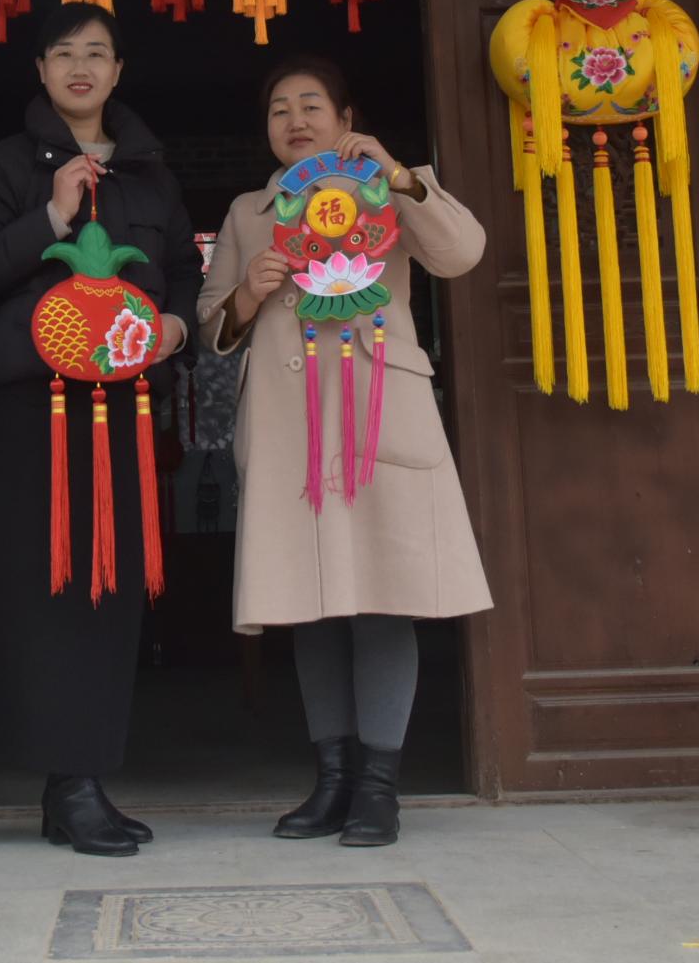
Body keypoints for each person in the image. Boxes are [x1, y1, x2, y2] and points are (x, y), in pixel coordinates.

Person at [198, 57, 492, 847]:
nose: (295, 121)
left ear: (345, 118)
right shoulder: (249, 210)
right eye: (279, 110)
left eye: (311, 106)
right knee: (312, 607)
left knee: (384, 599)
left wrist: (398, 174)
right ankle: (331, 781)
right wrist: (249, 291)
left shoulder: (386, 186)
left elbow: (461, 252)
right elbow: (211, 322)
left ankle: (379, 788)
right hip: (291, 423)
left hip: (376, 412)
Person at [0, 2, 201, 857]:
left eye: (97, 53)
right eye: (63, 53)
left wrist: (176, 325)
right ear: (41, 70)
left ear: (118, 70)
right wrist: (50, 216)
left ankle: (85, 777)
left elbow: (184, 272)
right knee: (44, 585)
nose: (81, 67)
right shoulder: (8, 164)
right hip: (38, 408)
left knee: (111, 588)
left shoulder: (150, 170)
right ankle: (65, 781)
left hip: (126, 404)